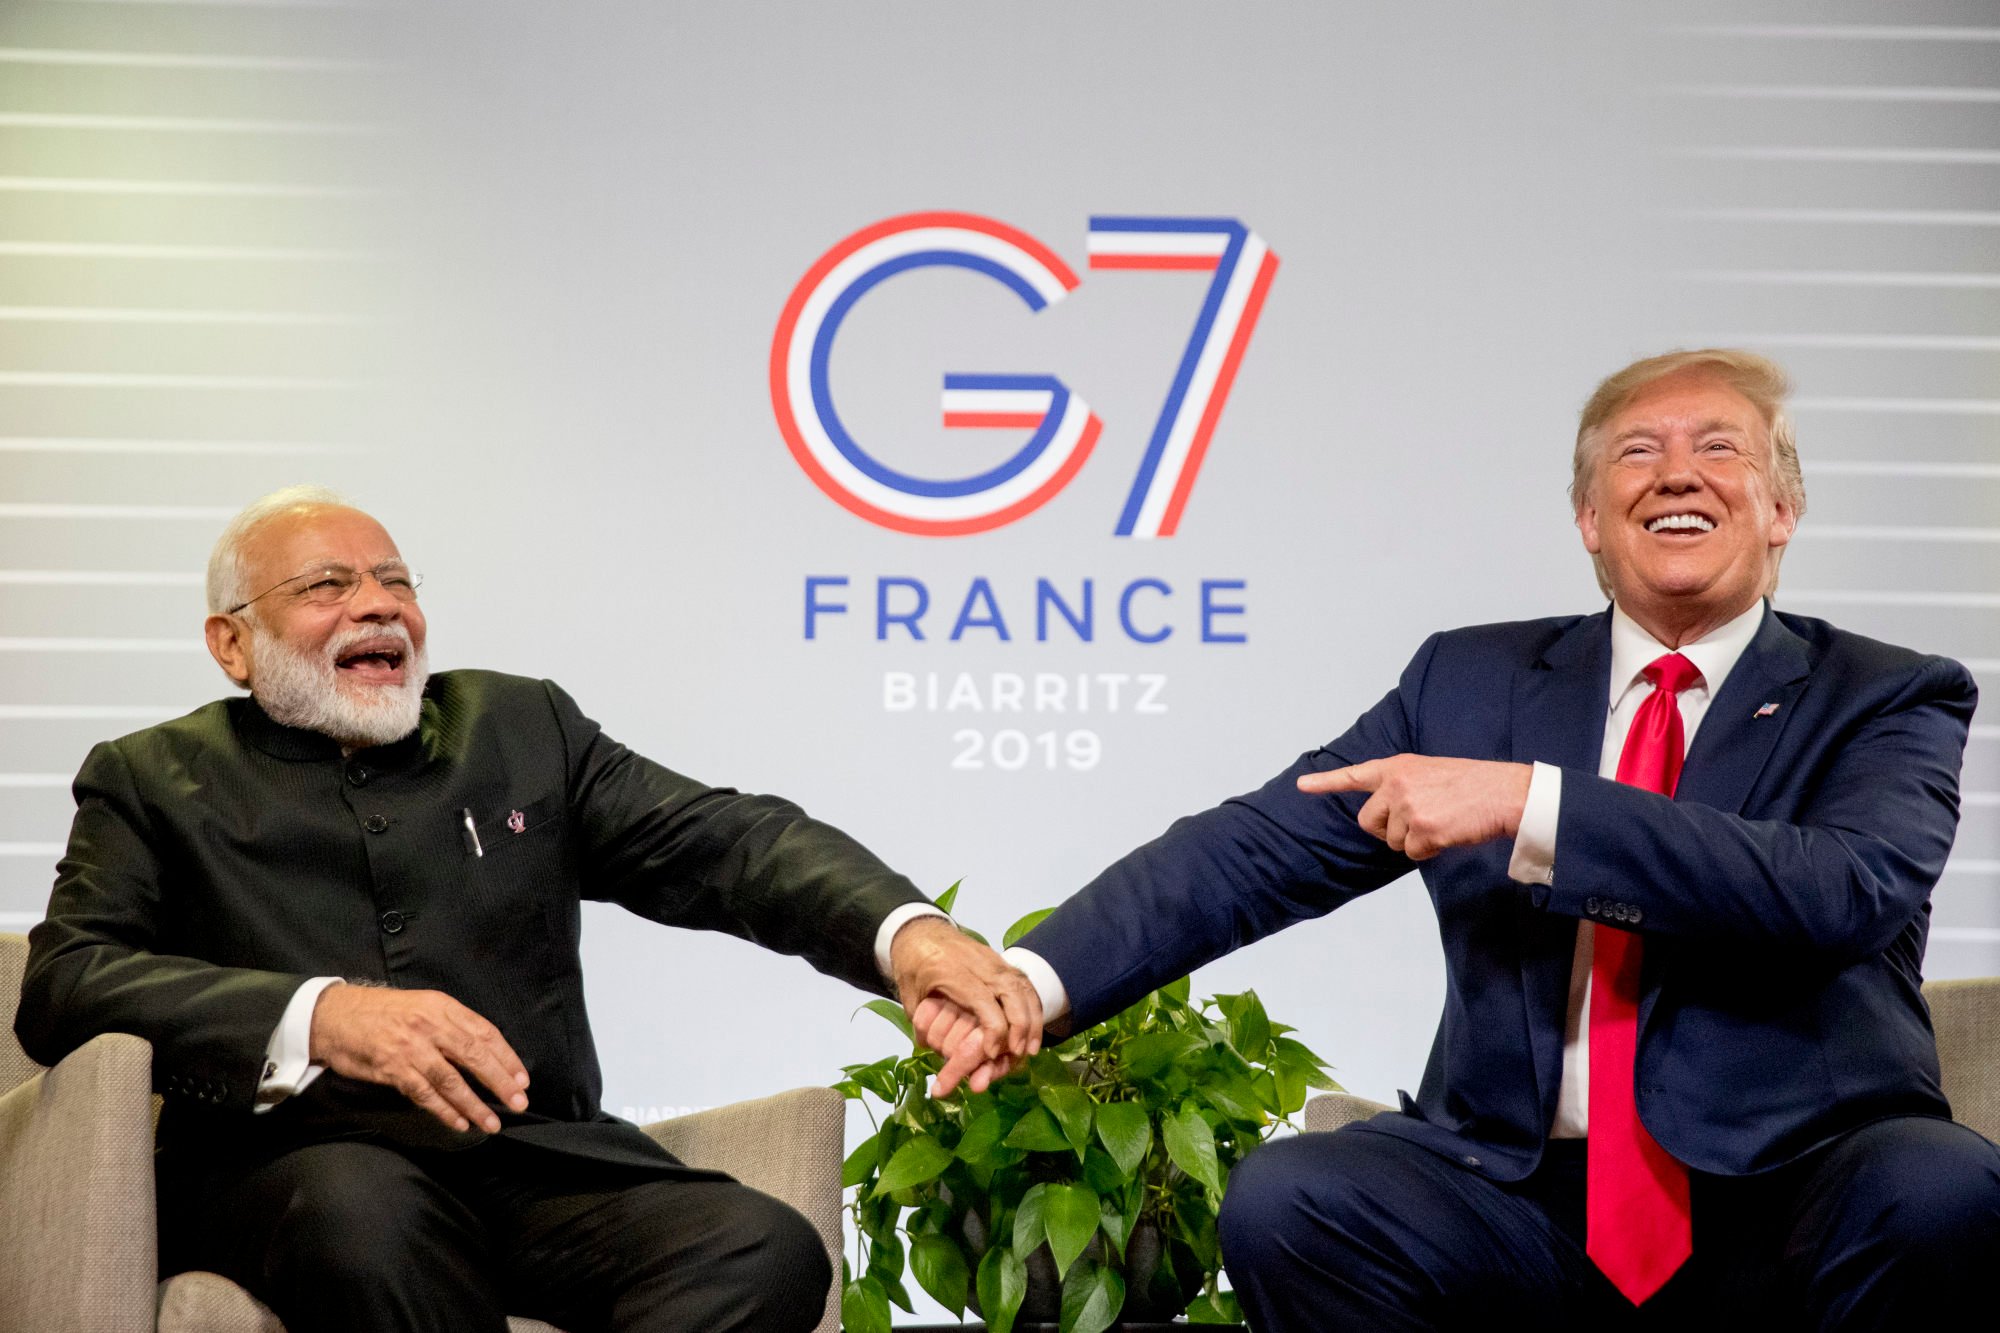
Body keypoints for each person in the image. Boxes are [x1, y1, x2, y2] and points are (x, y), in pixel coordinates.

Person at [921, 349, 2000, 1329]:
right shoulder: (1469, 682)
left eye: (1717, 447)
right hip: (1515, 1198)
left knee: (1939, 1188)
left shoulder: (1885, 693)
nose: (1677, 473)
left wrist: (1536, 807)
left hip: (1789, 1192)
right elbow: (1252, 850)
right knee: (1294, 1198)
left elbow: (1840, 888)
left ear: (1781, 510)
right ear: (1588, 515)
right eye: (1638, 451)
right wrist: (1029, 978)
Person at [13, 485, 1040, 1333]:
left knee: (760, 1248)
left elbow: (727, 841)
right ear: (232, 644)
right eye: (327, 585)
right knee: (360, 1214)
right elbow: (66, 980)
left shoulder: (517, 726)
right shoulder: (151, 778)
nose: (377, 605)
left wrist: (908, 935)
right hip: (291, 1172)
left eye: (396, 581)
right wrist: (320, 1014)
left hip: (532, 1166)